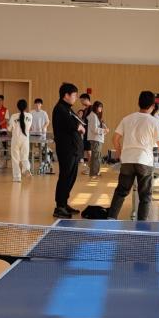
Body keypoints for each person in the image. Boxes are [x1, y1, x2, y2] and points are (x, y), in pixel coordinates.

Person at [107, 91, 159, 221]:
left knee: (121, 192)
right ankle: (142, 225)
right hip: (144, 161)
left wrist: (119, 151)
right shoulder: (154, 121)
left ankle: (111, 219)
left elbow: (115, 138)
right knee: (145, 196)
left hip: (127, 160)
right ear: (153, 106)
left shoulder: (127, 119)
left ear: (138, 103)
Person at [52, 83, 85, 218]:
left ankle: (64, 203)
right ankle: (59, 207)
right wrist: (79, 127)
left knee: (71, 177)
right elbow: (71, 124)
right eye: (74, 95)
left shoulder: (68, 109)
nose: (75, 98)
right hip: (66, 149)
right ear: (66, 95)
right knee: (65, 177)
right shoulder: (60, 109)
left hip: (73, 149)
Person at [9, 98, 32, 181]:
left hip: (16, 139)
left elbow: (9, 129)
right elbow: (29, 127)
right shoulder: (30, 116)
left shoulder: (13, 116)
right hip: (25, 139)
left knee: (15, 158)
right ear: (26, 107)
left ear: (17, 107)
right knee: (25, 157)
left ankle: (17, 177)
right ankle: (26, 169)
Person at [86, 101, 108, 177]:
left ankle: (96, 172)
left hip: (98, 139)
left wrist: (104, 129)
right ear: (95, 107)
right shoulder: (93, 116)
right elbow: (94, 129)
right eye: (99, 107)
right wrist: (104, 130)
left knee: (97, 156)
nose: (101, 109)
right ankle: (93, 173)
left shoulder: (96, 116)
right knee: (95, 157)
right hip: (95, 139)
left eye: (101, 107)